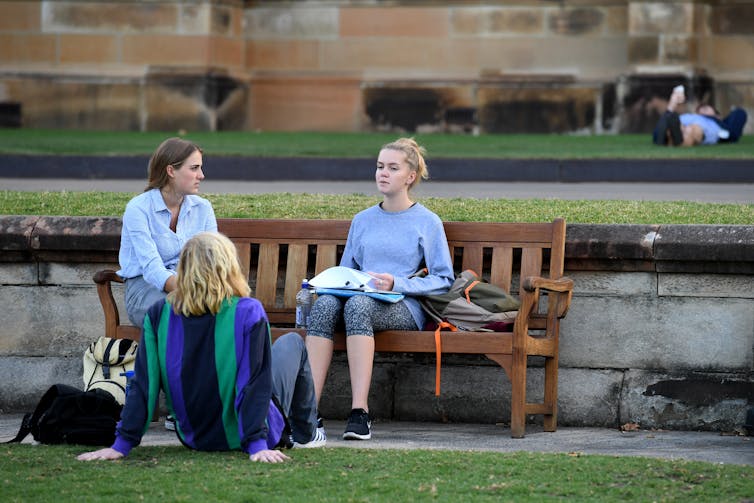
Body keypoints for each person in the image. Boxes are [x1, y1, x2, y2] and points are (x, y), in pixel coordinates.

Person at [77, 232, 325, 464]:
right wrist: (257, 444)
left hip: (195, 438)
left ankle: (303, 432)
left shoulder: (158, 314)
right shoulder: (249, 311)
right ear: (229, 269)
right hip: (251, 437)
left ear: (182, 269)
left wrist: (121, 445)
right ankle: (307, 433)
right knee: (292, 343)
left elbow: (144, 385)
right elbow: (253, 383)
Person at [305, 137, 455, 441]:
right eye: (379, 166)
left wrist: (396, 282)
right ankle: (307, 412)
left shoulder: (427, 222)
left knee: (358, 306)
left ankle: (359, 413)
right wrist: (324, 285)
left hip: (403, 306)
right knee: (324, 306)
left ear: (410, 177)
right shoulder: (362, 220)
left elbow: (443, 279)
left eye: (392, 167)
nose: (382, 173)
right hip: (358, 298)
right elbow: (346, 272)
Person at [117, 137, 217, 329]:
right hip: (145, 289)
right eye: (194, 168)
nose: (201, 175)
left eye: (200, 168)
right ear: (171, 171)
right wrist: (194, 292)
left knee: (232, 311)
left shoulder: (203, 208)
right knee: (182, 313)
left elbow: (211, 260)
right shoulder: (138, 209)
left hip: (192, 286)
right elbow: (152, 269)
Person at [653, 85, 748, 146]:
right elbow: (667, 122)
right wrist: (673, 104)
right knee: (673, 122)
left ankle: (676, 141)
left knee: (692, 129)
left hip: (709, 131)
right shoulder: (690, 116)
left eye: (706, 108)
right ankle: (672, 138)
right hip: (682, 127)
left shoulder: (718, 123)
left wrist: (719, 120)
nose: (702, 109)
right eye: (700, 109)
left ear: (717, 115)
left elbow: (738, 117)